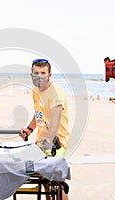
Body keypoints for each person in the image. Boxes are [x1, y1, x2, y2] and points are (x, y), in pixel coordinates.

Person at [19, 58, 70, 199]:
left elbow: (56, 119)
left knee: (58, 184)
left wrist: (49, 141)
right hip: (42, 142)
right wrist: (29, 129)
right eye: (36, 73)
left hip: (58, 142)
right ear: (31, 75)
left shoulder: (55, 93)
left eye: (43, 73)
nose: (39, 76)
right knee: (45, 183)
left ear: (49, 75)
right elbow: (39, 114)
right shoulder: (36, 91)